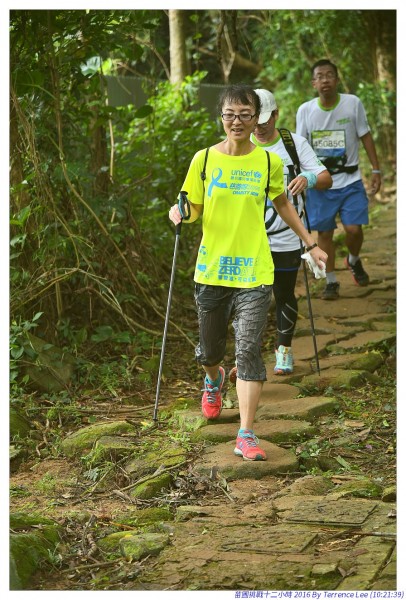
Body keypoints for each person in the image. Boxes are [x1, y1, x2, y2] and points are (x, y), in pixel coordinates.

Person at [168, 84, 327, 461]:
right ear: (221, 118)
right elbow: (192, 207)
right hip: (212, 269)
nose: (237, 121)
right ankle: (213, 379)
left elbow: (283, 205)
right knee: (209, 351)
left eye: (244, 114)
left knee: (249, 351)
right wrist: (180, 213)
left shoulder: (268, 162)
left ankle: (246, 433)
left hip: (254, 271)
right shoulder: (204, 159)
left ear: (256, 119)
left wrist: (309, 243)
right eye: (230, 114)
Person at [251, 88, 332, 375]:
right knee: (250, 298)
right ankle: (248, 355)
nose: (259, 128)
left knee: (283, 292)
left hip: (286, 236)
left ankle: (283, 349)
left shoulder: (294, 144)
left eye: (264, 121)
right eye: (254, 121)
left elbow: (326, 178)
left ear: (276, 114)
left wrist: (308, 178)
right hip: (249, 238)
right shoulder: (239, 146)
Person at [296, 59, 381, 300]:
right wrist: (301, 178)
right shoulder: (305, 111)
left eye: (329, 75)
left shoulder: (352, 103)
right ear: (313, 83)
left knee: (354, 229)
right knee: (324, 234)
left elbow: (365, 135)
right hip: (321, 183)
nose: (325, 80)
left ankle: (353, 259)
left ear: (337, 79)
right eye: (320, 76)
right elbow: (300, 147)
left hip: (350, 180)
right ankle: (331, 281)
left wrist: (376, 170)